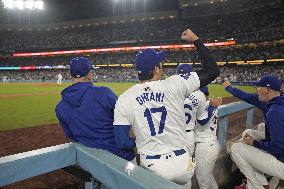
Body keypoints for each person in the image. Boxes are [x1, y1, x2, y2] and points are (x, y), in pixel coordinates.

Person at [113, 29, 220, 187]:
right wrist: (196, 40)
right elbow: (212, 70)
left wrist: (142, 142)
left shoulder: (124, 99)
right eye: (160, 64)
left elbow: (122, 142)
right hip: (184, 165)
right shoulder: (175, 83)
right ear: (156, 69)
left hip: (152, 166)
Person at [55, 57, 135, 162]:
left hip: (89, 160)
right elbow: (126, 117)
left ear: (70, 75)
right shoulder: (103, 93)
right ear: (90, 74)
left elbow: (71, 137)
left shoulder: (60, 107)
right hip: (120, 156)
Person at [228, 75, 284, 189]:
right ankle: (261, 182)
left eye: (259, 87)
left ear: (267, 90)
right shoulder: (278, 102)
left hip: (281, 162)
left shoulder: (275, 111)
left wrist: (255, 143)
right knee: (252, 134)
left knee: (235, 148)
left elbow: (279, 147)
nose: (256, 90)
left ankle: (256, 186)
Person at [194, 86, 222, 189]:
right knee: (208, 177)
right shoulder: (210, 105)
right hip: (211, 144)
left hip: (205, 147)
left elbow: (202, 121)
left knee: (203, 181)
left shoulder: (203, 106)